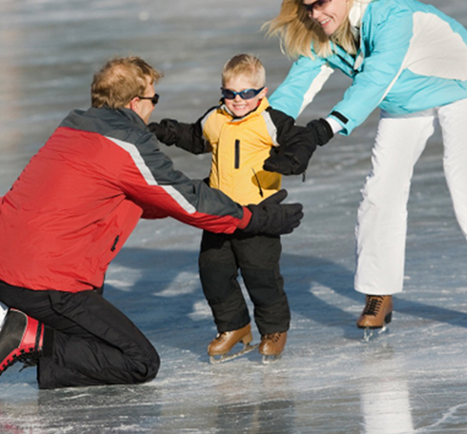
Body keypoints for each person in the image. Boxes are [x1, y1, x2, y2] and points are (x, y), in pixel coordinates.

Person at [0, 56, 304, 389]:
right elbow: (186, 203)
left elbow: (149, 196)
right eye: (153, 99)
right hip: (46, 283)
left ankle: (24, 331)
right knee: (139, 362)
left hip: (9, 270)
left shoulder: (73, 127)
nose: (154, 108)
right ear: (135, 103)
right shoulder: (126, 144)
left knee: (90, 334)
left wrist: (214, 194)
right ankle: (28, 336)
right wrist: (254, 217)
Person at [264, 0, 467, 335]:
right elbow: (297, 85)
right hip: (405, 98)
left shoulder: (391, 16)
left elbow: (375, 79)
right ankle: (378, 292)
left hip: (463, 86)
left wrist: (323, 130)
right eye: (308, 6)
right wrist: (262, 129)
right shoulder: (321, 28)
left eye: (322, 2)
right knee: (380, 189)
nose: (315, 13)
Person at [149, 54, 315, 362]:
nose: (237, 100)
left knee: (261, 275)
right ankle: (234, 326)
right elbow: (194, 137)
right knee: (213, 272)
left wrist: (291, 160)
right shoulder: (216, 118)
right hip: (219, 212)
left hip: (258, 216)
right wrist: (162, 130)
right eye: (230, 93)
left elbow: (300, 141)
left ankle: (274, 330)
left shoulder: (270, 121)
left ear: (261, 93)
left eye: (246, 93)